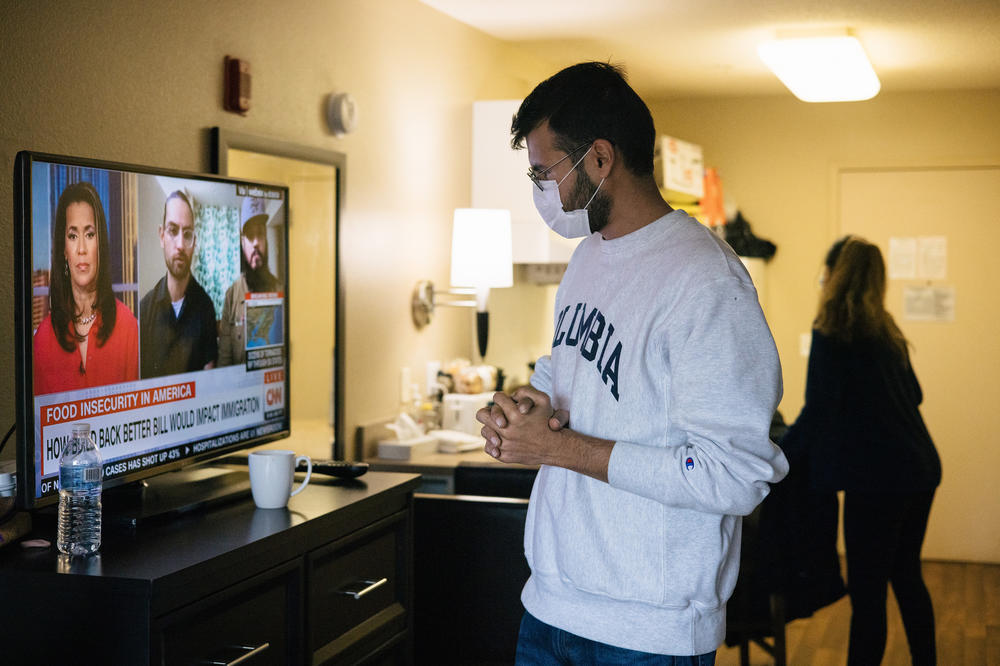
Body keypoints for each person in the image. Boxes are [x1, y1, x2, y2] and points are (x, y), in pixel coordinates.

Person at [476, 62, 788, 663]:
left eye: (545, 171)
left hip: (647, 635)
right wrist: (523, 407)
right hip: (550, 604)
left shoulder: (705, 281)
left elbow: (735, 474)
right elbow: (567, 368)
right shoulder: (589, 257)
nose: (541, 188)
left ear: (599, 159)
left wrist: (558, 449)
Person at [781, 236, 941, 666]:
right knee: (906, 575)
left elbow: (817, 412)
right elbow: (917, 395)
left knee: (868, 594)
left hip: (879, 481)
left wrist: (779, 456)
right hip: (922, 468)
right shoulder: (887, 330)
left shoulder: (832, 328)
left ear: (836, 274)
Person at [34, 181, 139, 395]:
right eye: (73, 236)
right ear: (63, 249)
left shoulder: (128, 326)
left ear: (100, 244)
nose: (81, 248)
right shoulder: (42, 339)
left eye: (90, 234)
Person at [139, 190, 218, 378]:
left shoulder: (206, 308)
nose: (181, 244)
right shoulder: (144, 310)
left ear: (194, 242)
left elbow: (209, 382)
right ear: (161, 236)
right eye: (173, 231)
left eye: (188, 234)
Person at [218, 196, 281, 366]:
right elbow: (224, 362)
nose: (255, 243)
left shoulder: (281, 292)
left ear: (266, 240)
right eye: (250, 236)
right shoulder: (231, 297)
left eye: (260, 234)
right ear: (242, 242)